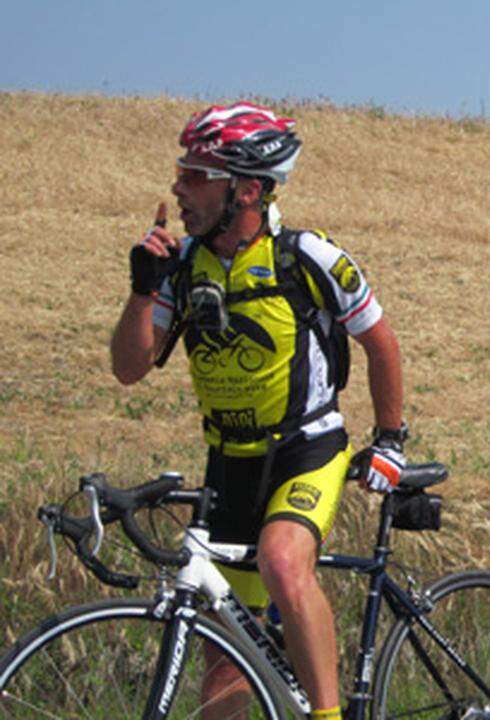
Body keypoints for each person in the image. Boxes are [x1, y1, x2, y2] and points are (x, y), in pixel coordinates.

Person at [110, 102, 410, 720]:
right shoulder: (183, 268)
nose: (177, 187)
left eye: (195, 175)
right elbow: (128, 367)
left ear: (245, 189)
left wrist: (390, 439)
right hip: (232, 462)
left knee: (281, 561)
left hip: (308, 450)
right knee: (227, 653)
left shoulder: (308, 258)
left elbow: (380, 342)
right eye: (180, 171)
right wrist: (143, 290)